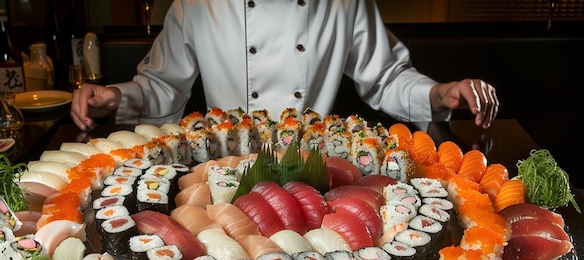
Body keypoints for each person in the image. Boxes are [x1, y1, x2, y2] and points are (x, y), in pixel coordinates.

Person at [70, 0, 498, 132]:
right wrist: (117, 96)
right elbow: (163, 84)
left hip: (316, 164)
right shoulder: (199, 3)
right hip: (225, 170)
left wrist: (440, 93)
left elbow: (385, 78)